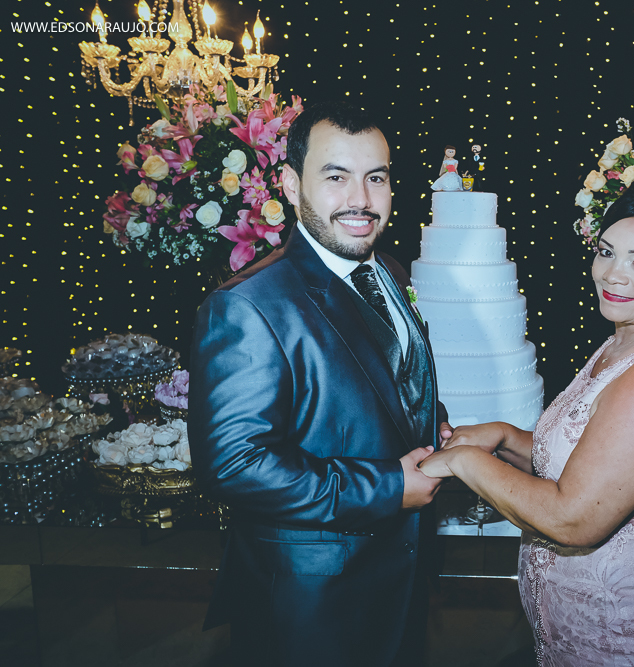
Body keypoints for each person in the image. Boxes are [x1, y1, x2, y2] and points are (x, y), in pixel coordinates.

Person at [419, 174, 634, 665]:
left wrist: (466, 463)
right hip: (576, 638)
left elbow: (573, 518)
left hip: (626, 643)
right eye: (607, 252)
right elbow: (593, 459)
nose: (612, 274)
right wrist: (505, 437)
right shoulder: (627, 340)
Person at [189, 100, 453, 666]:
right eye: (336, 178)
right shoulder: (247, 306)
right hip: (312, 608)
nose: (360, 200)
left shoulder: (389, 271)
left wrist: (432, 421)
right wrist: (386, 488)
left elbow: (380, 381)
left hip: (396, 582)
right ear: (290, 183)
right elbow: (232, 464)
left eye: (375, 178)